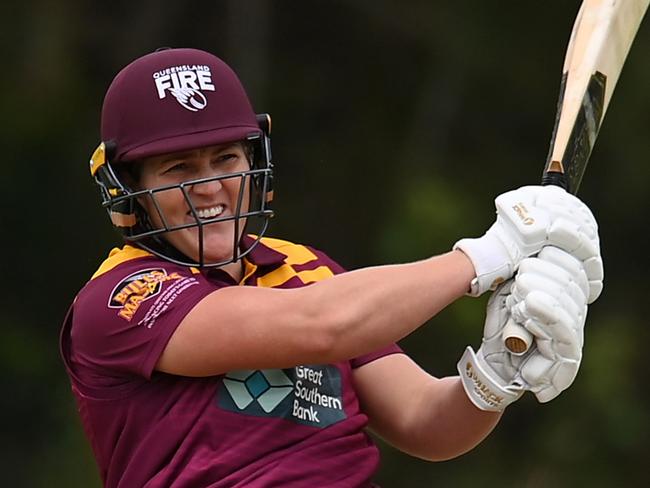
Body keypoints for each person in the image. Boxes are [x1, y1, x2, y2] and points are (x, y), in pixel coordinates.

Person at [60, 47, 604, 488]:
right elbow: (320, 328)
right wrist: (489, 255)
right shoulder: (121, 298)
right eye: (179, 167)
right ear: (128, 190)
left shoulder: (309, 271)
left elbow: (424, 423)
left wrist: (495, 374)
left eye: (226, 158)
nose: (210, 187)